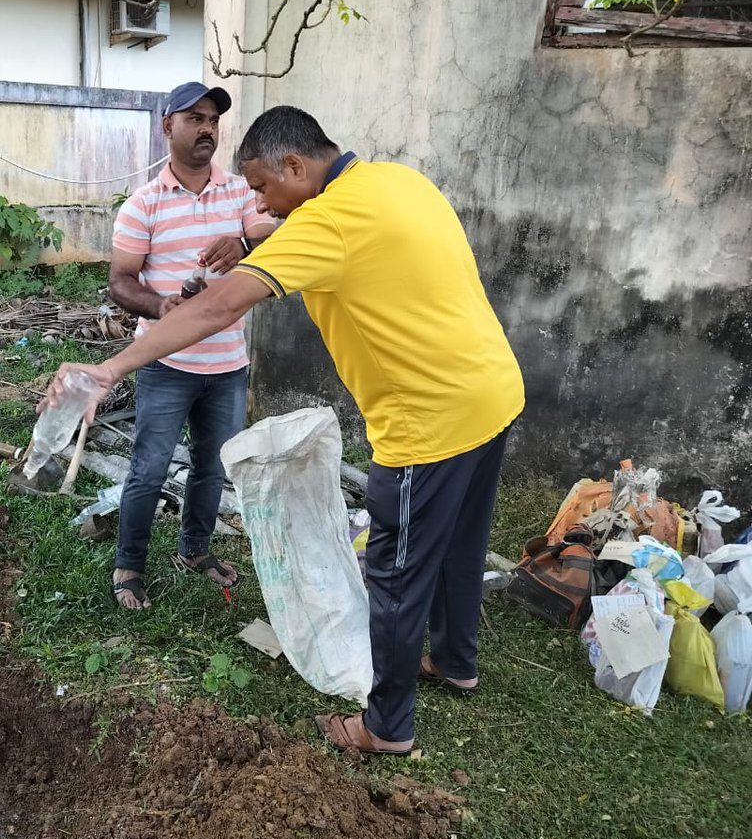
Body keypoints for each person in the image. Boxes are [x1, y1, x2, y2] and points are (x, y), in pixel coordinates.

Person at [47, 105, 525, 753]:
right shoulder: (395, 183)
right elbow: (333, 243)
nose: (263, 206)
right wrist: (250, 242)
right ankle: (457, 661)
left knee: (397, 576)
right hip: (492, 395)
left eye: (264, 189)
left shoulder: (328, 221)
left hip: (430, 423)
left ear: (296, 166)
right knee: (462, 547)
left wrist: (109, 370)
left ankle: (386, 727)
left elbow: (219, 304)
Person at [105, 81, 276, 611]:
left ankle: (194, 550)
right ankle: (129, 564)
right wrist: (160, 308)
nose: (207, 128)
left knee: (212, 465)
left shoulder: (241, 193)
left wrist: (245, 242)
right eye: (194, 118)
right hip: (166, 363)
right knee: (149, 467)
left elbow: (279, 231)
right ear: (167, 127)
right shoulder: (143, 206)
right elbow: (121, 282)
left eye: (212, 120)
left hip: (228, 363)